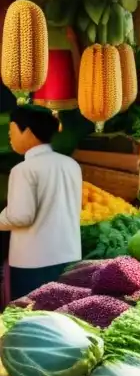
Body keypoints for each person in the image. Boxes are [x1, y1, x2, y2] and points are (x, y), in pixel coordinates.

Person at [1, 107, 82, 299]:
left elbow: (20, 217)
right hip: (69, 255)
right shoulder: (70, 164)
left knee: (28, 314)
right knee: (61, 310)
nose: (10, 138)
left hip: (34, 260)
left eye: (11, 132)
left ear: (27, 132)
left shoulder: (24, 169)